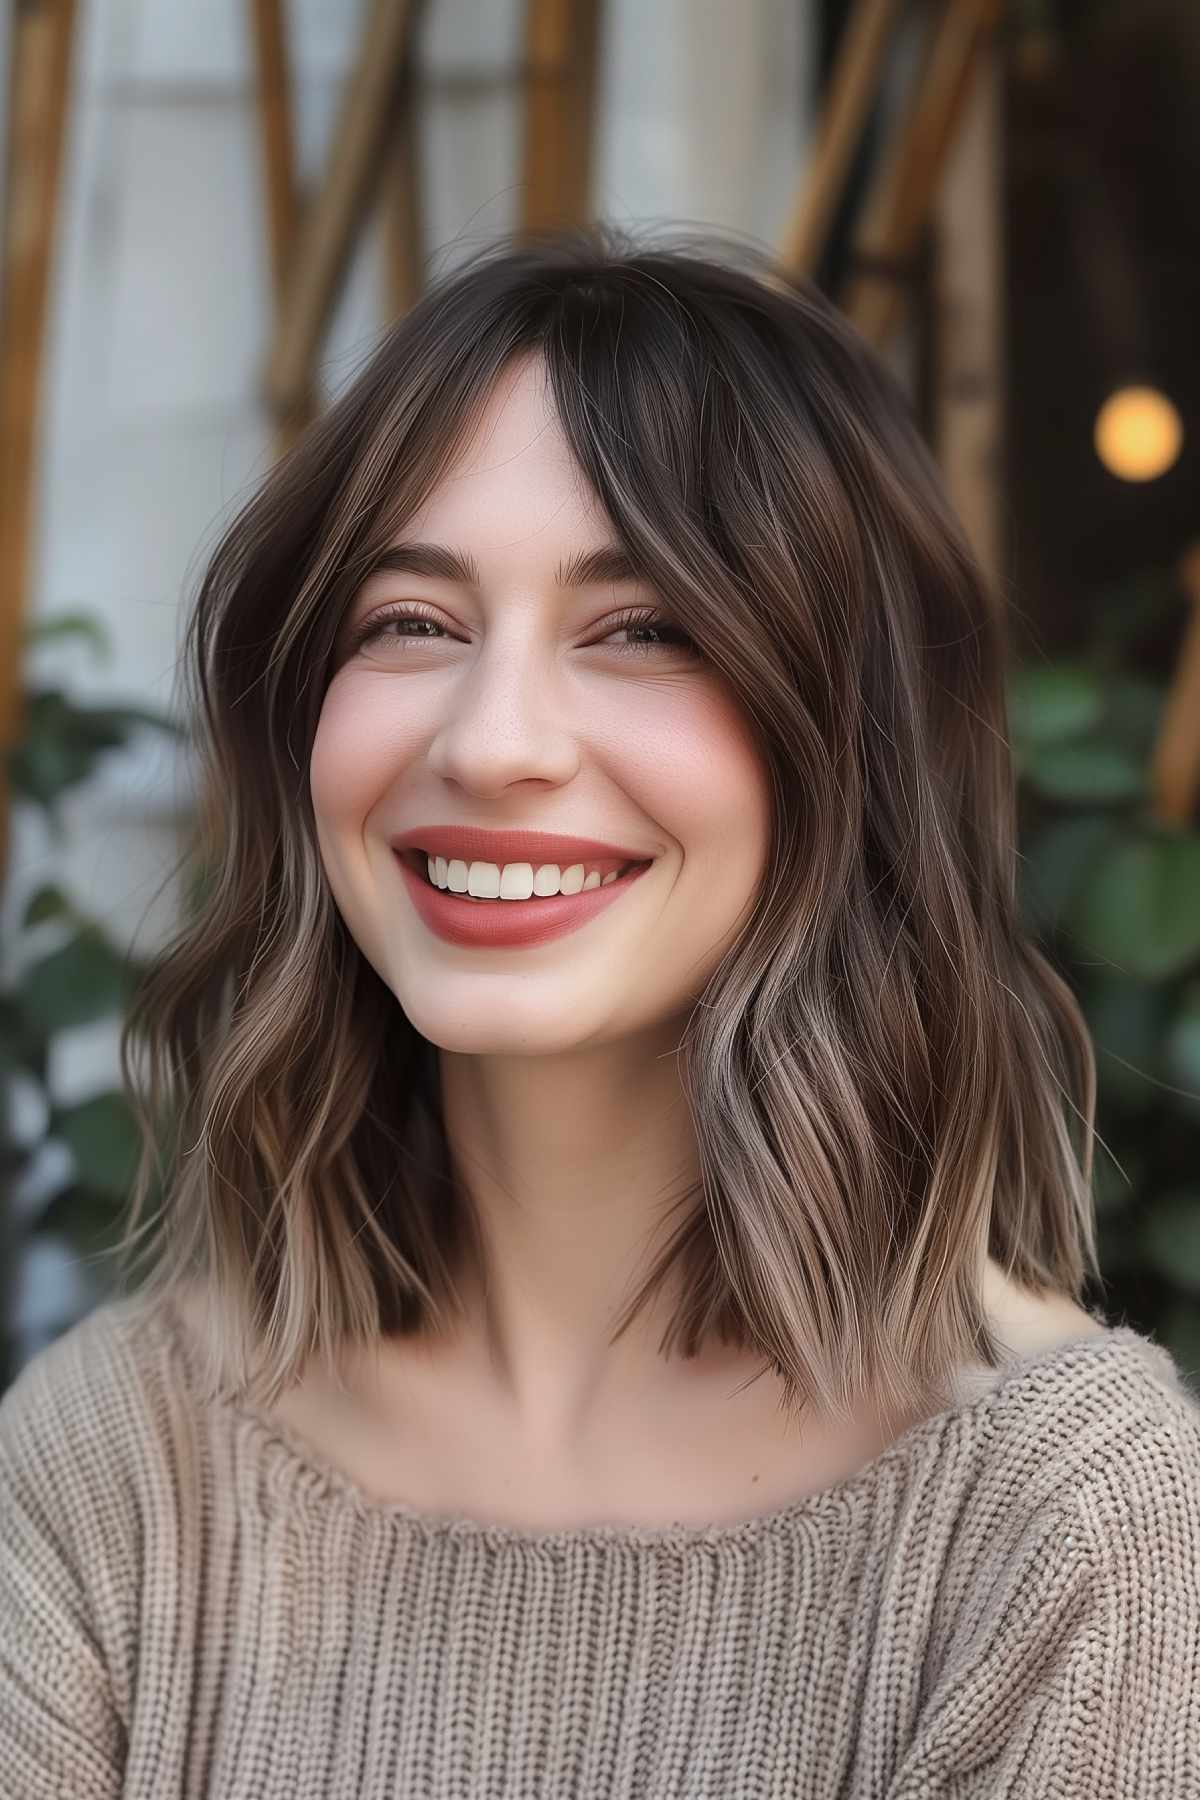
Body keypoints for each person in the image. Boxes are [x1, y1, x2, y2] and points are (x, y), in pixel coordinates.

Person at [2, 222, 1198, 1798]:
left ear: (849, 743)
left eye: (644, 628)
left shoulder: (1060, 1527)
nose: (494, 742)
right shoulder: (117, 1466)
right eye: (410, 623)